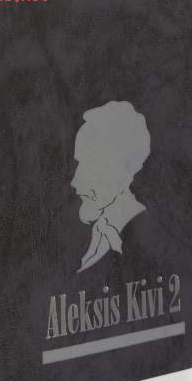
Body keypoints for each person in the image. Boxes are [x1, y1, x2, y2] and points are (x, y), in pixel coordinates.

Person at [71, 100, 151, 272]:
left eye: (92, 166)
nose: (75, 181)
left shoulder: (149, 232)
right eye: (80, 164)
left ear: (126, 171)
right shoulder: (102, 227)